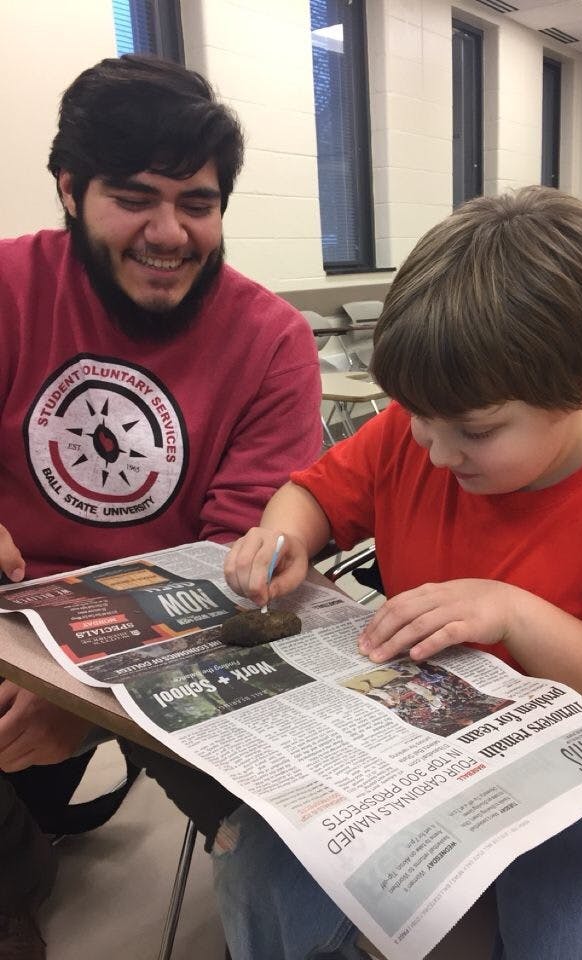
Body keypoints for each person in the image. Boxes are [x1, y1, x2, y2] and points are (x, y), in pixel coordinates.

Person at [217, 187, 582, 960]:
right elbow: (312, 494)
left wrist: (516, 614)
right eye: (414, 414)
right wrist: (282, 540)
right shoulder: (416, 431)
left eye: (475, 432)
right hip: (439, 737)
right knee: (264, 875)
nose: (436, 450)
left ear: (577, 389)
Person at [0, 55, 321, 958]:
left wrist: (85, 699)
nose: (170, 233)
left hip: (162, 639)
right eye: (134, 198)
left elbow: (234, 568)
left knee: (300, 849)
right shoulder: (9, 287)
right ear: (70, 191)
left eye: (198, 204)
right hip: (13, 621)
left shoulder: (271, 341)